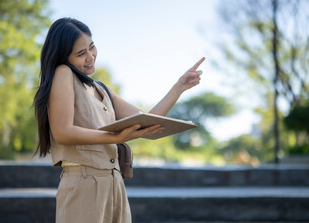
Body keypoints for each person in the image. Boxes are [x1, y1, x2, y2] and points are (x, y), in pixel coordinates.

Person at [33, 17, 204, 223]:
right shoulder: (64, 73)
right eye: (80, 53)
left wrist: (179, 87)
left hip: (114, 183)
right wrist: (115, 137)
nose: (90, 57)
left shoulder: (101, 89)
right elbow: (62, 131)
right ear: (63, 56)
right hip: (83, 183)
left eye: (92, 47)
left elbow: (147, 120)